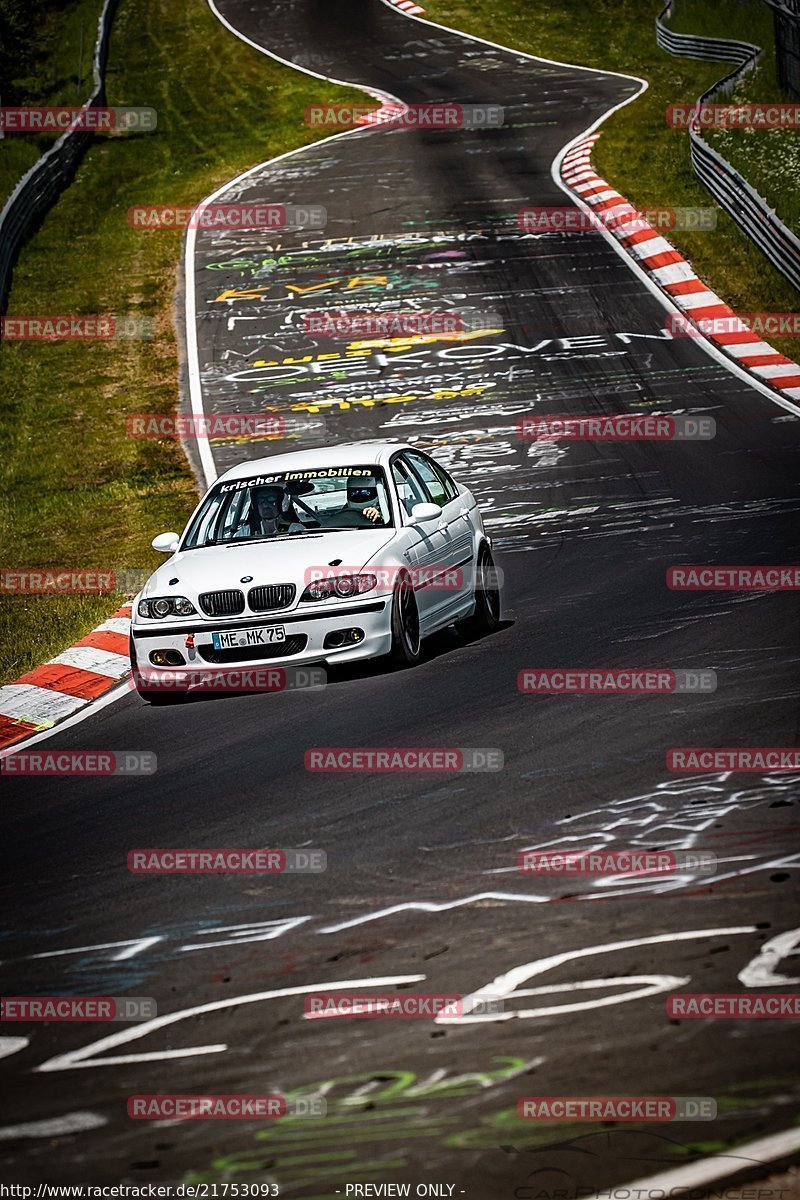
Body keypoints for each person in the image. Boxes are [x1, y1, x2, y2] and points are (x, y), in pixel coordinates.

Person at [235, 485, 305, 538]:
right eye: (261, 500)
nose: (265, 505)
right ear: (256, 506)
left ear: (281, 503)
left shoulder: (295, 530)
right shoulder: (245, 533)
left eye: (271, 499)